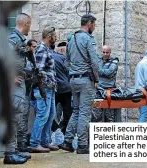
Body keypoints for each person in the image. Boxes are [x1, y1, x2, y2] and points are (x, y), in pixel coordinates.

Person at [60, 14, 99, 154]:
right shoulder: (88, 39)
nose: (94, 27)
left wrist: (73, 72)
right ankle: (82, 145)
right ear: (89, 24)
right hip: (85, 80)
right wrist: (96, 79)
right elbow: (94, 62)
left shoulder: (71, 39)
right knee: (84, 113)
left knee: (76, 111)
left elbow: (67, 61)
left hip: (73, 79)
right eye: (93, 25)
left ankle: (67, 141)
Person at [4, 12, 32, 164]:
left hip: (19, 85)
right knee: (13, 119)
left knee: (16, 118)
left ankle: (13, 151)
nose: (30, 28)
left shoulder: (18, 39)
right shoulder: (14, 38)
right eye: (30, 25)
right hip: (13, 86)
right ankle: (9, 154)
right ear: (26, 23)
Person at [29, 27, 59, 153]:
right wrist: (48, 83)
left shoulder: (47, 49)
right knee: (42, 115)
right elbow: (38, 70)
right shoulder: (41, 49)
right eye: (55, 35)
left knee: (50, 115)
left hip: (50, 88)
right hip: (44, 88)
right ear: (49, 36)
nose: (56, 37)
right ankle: (34, 143)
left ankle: (44, 142)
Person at [51, 42, 73, 134]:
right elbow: (70, 73)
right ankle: (63, 131)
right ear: (62, 50)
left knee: (50, 113)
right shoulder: (64, 59)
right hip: (66, 90)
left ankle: (55, 129)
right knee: (68, 113)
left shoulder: (50, 57)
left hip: (54, 89)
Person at [97, 45, 121, 122]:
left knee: (109, 114)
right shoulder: (99, 59)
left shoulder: (114, 61)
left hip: (109, 90)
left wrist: (98, 70)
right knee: (97, 113)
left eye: (107, 52)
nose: (105, 54)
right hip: (99, 89)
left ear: (110, 52)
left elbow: (110, 72)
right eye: (103, 52)